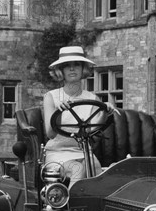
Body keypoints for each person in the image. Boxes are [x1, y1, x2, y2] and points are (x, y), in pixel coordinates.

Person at [43, 46, 112, 183]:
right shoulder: (51, 97)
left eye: (77, 65)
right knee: (77, 169)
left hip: (83, 152)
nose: (72, 69)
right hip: (57, 153)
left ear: (83, 69)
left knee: (97, 170)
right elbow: (50, 134)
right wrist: (60, 113)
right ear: (61, 71)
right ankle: (72, 204)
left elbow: (93, 131)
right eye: (67, 66)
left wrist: (106, 112)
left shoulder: (92, 99)